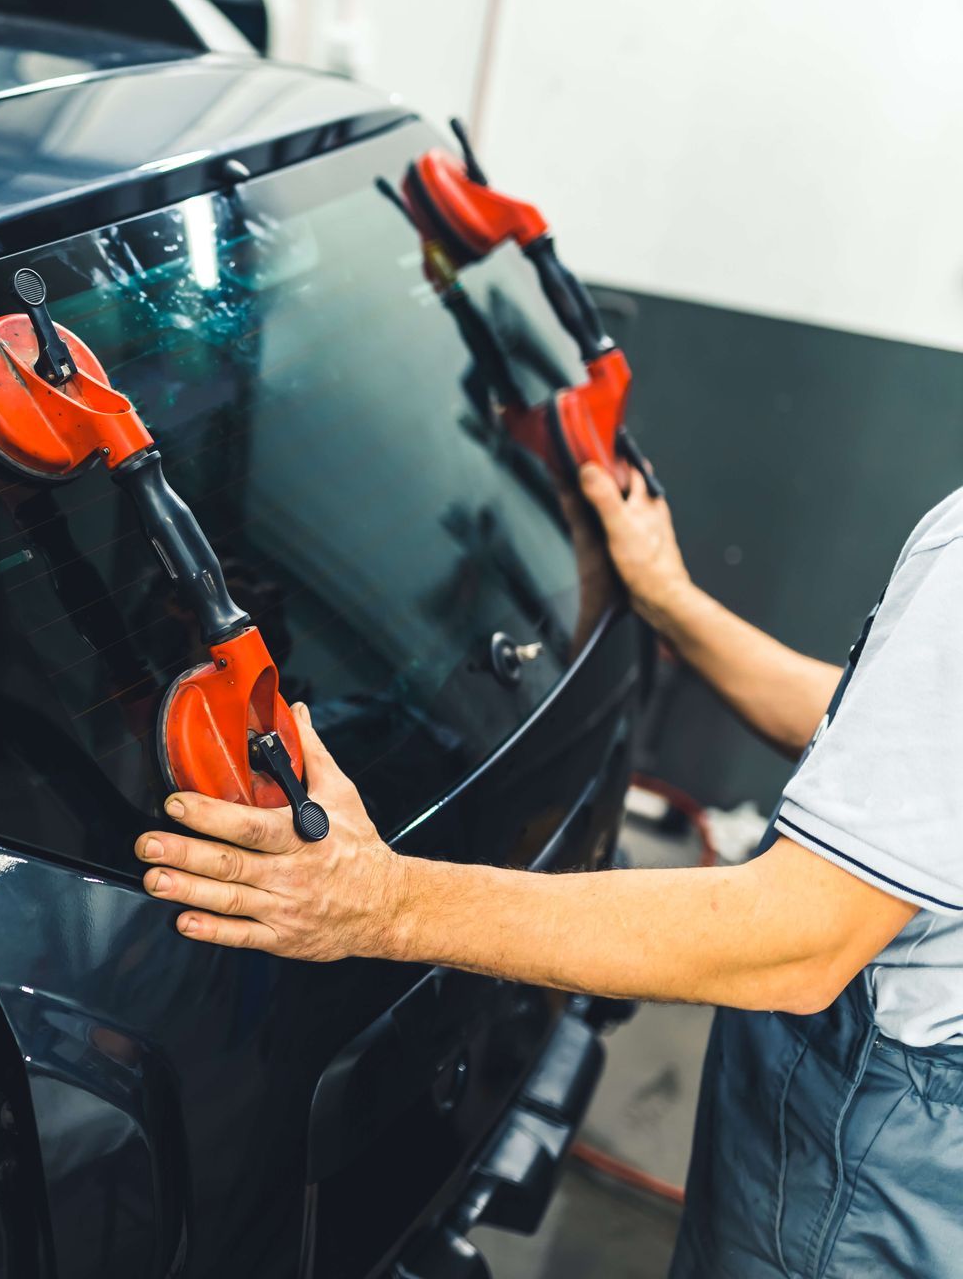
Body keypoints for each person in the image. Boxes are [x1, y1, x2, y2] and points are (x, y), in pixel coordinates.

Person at [137, 463, 963, 1277]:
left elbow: (800, 939)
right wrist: (670, 601)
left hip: (878, 1164)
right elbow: (883, 741)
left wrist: (381, 902)